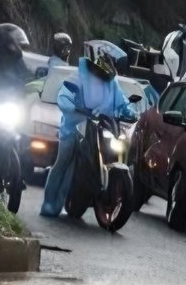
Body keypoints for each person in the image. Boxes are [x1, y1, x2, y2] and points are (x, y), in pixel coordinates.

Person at [41, 40, 139, 219]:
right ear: (97, 59)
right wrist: (73, 107)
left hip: (104, 125)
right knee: (64, 159)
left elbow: (122, 101)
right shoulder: (79, 76)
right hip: (75, 126)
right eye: (107, 60)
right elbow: (64, 95)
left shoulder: (111, 82)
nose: (109, 64)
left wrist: (131, 112)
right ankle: (50, 203)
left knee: (120, 146)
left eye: (111, 61)